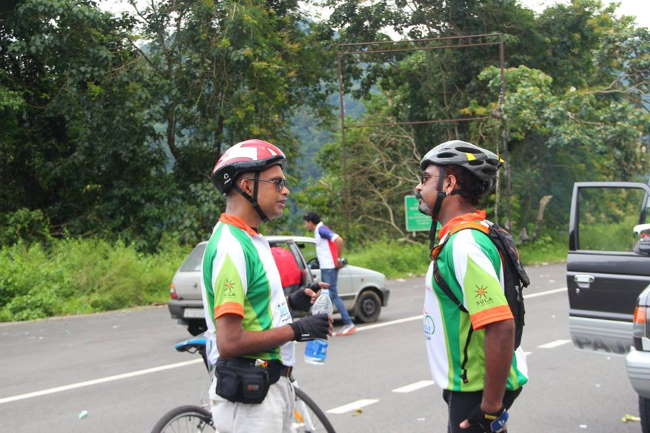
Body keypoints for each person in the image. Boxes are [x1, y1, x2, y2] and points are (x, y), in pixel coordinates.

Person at [202, 139, 332, 433]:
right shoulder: (231, 247)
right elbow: (229, 342)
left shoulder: (252, 240)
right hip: (250, 399)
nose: (285, 191)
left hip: (272, 386)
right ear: (247, 186)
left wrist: (293, 303)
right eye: (277, 183)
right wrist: (298, 330)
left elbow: (254, 313)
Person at [414, 140, 528, 433]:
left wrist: (490, 408)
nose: (418, 188)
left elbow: (500, 324)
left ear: (449, 183)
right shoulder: (474, 233)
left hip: (476, 388)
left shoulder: (464, 244)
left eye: (425, 179)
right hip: (474, 383)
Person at [303, 212, 357, 336]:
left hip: (329, 267)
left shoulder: (321, 229)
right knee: (330, 295)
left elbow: (339, 240)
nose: (305, 226)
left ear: (311, 222)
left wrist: (337, 259)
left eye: (306, 223)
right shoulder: (319, 230)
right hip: (326, 267)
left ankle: (348, 323)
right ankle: (325, 323)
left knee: (332, 294)